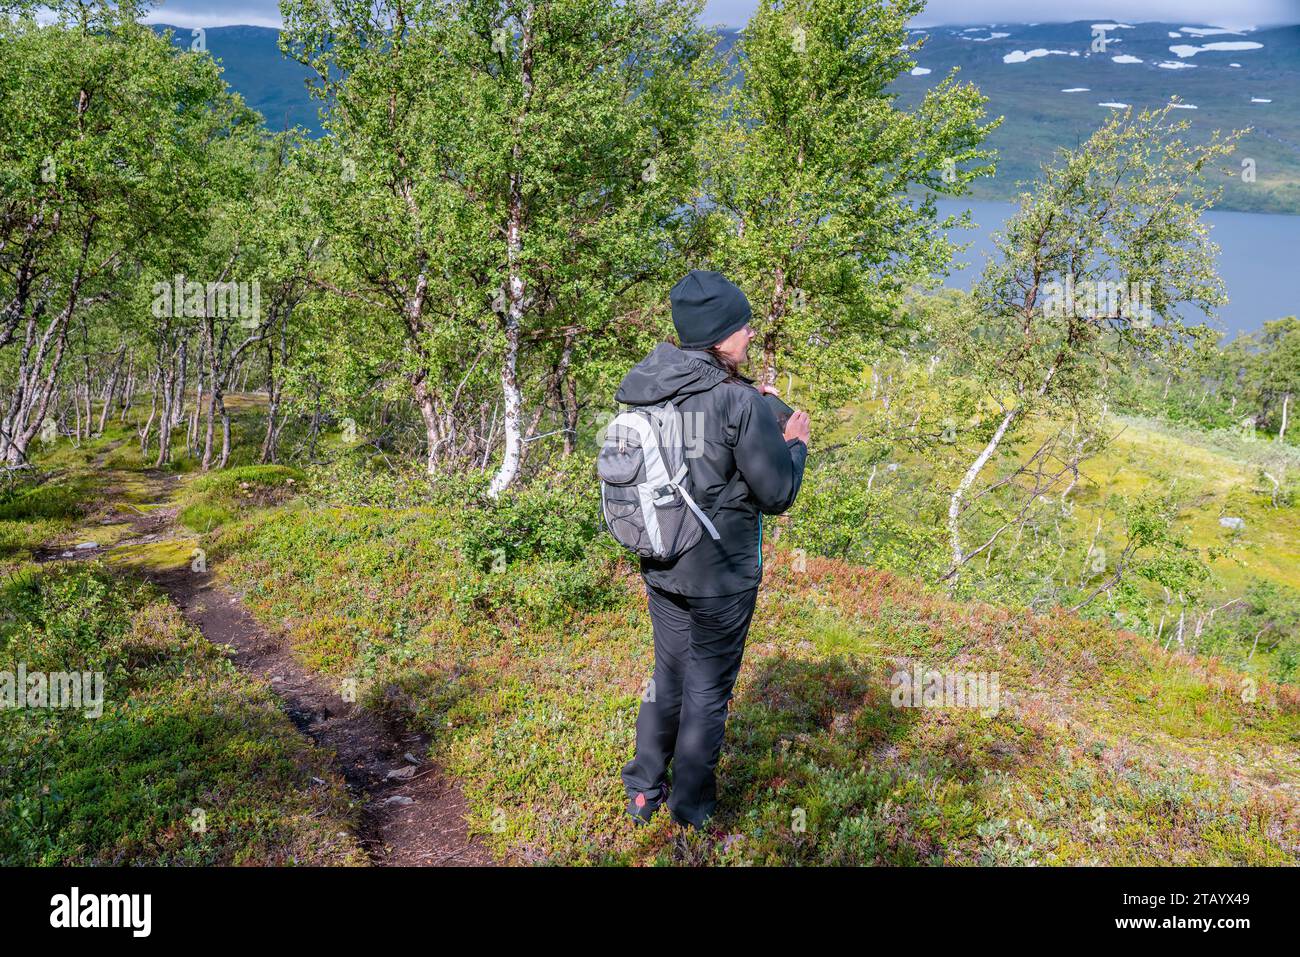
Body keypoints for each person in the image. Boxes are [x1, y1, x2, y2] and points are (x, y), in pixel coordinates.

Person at [618, 269, 810, 829]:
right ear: (719, 336)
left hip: (660, 560)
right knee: (706, 690)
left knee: (666, 677)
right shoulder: (739, 403)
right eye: (742, 326)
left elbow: (697, 435)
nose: (750, 333)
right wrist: (793, 443)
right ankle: (690, 810)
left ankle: (643, 788)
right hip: (720, 575)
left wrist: (749, 399)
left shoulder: (652, 384)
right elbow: (776, 494)